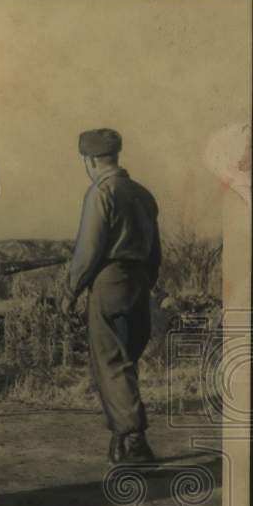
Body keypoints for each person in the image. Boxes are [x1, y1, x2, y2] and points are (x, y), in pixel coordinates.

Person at [63, 128, 162, 465]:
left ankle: (134, 441)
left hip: (109, 281)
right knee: (126, 360)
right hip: (139, 282)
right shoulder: (143, 194)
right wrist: (145, 282)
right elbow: (155, 253)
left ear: (90, 160)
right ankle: (122, 440)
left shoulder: (101, 192)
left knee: (110, 362)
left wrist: (69, 290)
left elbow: (88, 251)